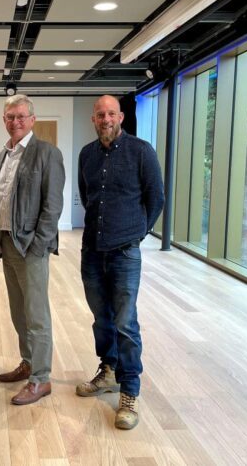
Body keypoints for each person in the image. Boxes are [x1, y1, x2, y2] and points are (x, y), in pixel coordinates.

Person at [76, 95, 165, 429]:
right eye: (100, 114)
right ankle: (108, 370)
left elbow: (156, 198)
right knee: (102, 319)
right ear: (93, 119)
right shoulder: (87, 154)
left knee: (126, 322)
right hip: (91, 251)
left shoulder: (141, 151)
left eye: (111, 113)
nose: (106, 119)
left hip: (125, 252)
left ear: (121, 116)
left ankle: (129, 392)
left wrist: (136, 234)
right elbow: (87, 197)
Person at [0, 94, 65, 405]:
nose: (15, 122)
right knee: (19, 312)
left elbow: (53, 206)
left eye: (21, 116)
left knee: (36, 315)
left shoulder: (47, 153)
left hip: (31, 246)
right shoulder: (4, 155)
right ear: (4, 120)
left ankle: (41, 379)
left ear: (32, 120)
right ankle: (28, 361)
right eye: (10, 117)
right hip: (7, 243)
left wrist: (38, 245)